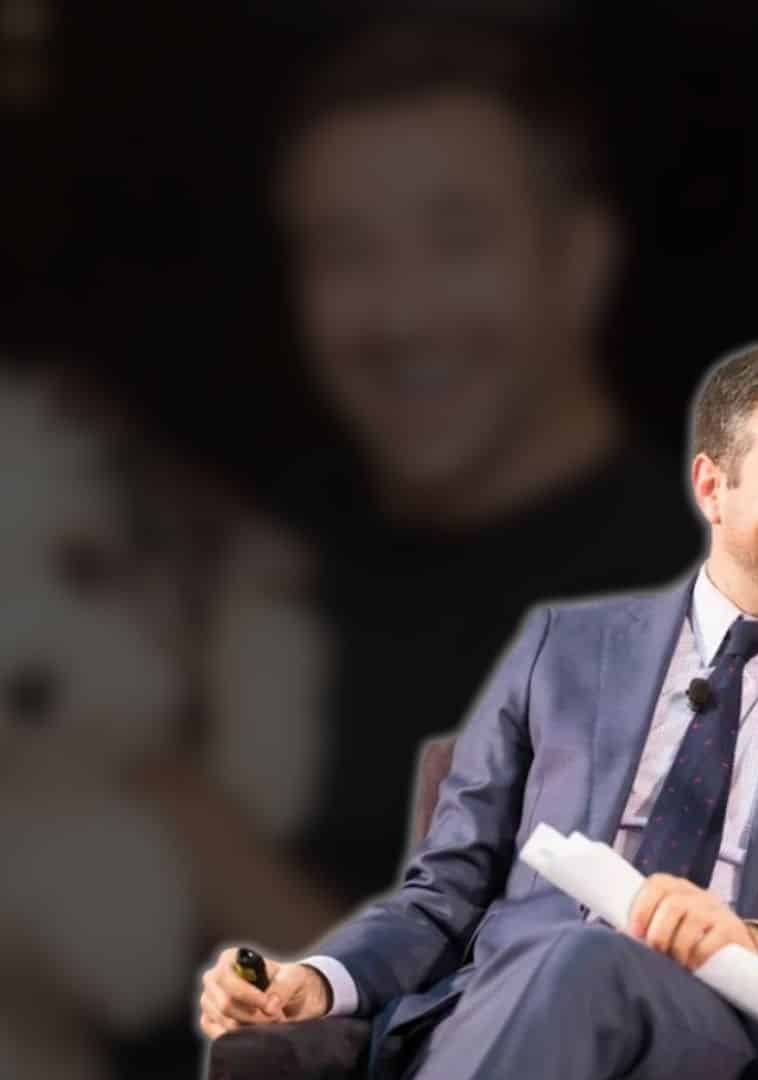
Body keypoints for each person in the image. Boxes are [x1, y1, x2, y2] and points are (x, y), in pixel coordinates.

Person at [197, 343, 758, 1079]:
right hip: (501, 1011)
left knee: (588, 960)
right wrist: (319, 979)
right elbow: (443, 896)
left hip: (719, 1029)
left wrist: (757, 942)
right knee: (565, 960)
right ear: (713, 485)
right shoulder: (561, 649)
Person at [261, 15, 706, 915]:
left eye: (457, 241)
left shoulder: (690, 613)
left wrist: (182, 812)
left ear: (581, 263)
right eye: (346, 254)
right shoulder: (266, 563)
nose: (401, 316)